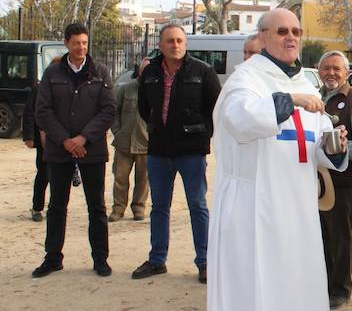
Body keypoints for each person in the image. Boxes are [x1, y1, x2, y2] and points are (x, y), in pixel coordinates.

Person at [204, 7, 348, 311]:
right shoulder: (244, 81)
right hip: (250, 210)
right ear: (263, 36)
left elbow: (316, 145)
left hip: (295, 210)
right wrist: (289, 100)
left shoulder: (303, 80)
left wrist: (333, 144)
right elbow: (243, 120)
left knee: (284, 294)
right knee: (241, 295)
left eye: (296, 31)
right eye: (282, 31)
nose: (291, 37)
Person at [133, 24, 221, 284]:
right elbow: (143, 107)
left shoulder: (202, 71)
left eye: (180, 40)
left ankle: (205, 262)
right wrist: (157, 127)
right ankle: (157, 260)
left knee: (197, 206)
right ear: (161, 44)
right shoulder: (150, 72)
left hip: (191, 151)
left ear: (185, 44)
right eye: (170, 40)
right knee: (159, 207)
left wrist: (201, 135)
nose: (175, 45)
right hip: (159, 150)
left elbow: (216, 109)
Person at [32, 23, 115, 278]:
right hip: (59, 151)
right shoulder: (52, 73)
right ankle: (53, 258)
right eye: (76, 43)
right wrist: (65, 140)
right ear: (67, 43)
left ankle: (100, 258)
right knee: (57, 205)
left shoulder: (100, 72)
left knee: (97, 207)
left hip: (92, 150)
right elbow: (42, 111)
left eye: (85, 43)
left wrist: (83, 138)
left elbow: (109, 110)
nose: (81, 48)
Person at [317, 49, 352, 309]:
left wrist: (335, 154)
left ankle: (340, 289)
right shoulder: (314, 99)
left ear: (347, 73)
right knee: (319, 235)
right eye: (326, 68)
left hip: (343, 181)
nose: (331, 73)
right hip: (316, 181)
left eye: (336, 69)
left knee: (340, 236)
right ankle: (322, 286)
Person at [109, 58, 150, 222]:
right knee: (120, 178)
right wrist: (117, 131)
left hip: (145, 144)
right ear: (138, 70)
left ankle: (138, 208)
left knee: (143, 180)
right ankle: (118, 209)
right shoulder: (126, 89)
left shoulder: (155, 92)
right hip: (123, 143)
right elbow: (114, 112)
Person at [22, 79, 49, 222]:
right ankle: (37, 207)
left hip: (62, 140)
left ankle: (56, 207)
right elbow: (29, 113)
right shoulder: (39, 89)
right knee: (43, 174)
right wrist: (29, 136)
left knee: (60, 176)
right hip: (43, 139)